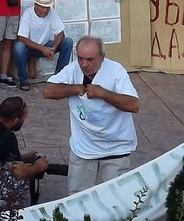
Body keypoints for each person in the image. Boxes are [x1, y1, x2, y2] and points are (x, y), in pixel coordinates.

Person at [44, 35, 140, 194]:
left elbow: (134, 105)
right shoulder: (73, 69)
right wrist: (77, 88)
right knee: (78, 199)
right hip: (84, 148)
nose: (84, 64)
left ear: (102, 57)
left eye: (90, 59)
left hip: (116, 148)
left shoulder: (116, 71)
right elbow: (48, 91)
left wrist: (104, 93)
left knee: (113, 199)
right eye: (80, 58)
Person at [12, 0, 73, 91]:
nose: (46, 10)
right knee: (18, 47)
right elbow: (21, 38)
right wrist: (43, 48)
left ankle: (58, 77)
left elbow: (61, 33)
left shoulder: (51, 12)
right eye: (43, 7)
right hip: (30, 48)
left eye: (47, 7)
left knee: (67, 42)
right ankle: (24, 80)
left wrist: (53, 48)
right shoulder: (28, 14)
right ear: (36, 6)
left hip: (46, 46)